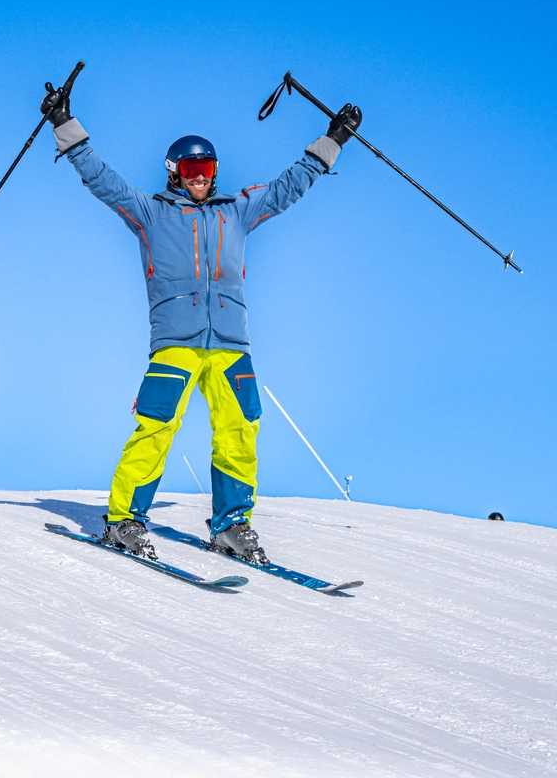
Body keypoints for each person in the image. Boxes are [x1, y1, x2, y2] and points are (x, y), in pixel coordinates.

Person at [41, 77, 361, 564]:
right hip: (175, 341)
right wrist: (65, 124)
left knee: (240, 430)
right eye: (191, 167)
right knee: (156, 426)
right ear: (174, 172)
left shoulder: (235, 211)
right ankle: (124, 518)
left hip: (233, 343)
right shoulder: (150, 213)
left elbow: (289, 186)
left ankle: (232, 525)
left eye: (206, 167)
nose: (200, 176)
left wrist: (333, 139)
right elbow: (100, 178)